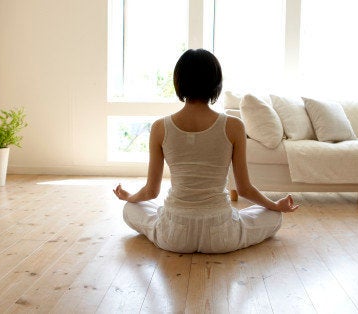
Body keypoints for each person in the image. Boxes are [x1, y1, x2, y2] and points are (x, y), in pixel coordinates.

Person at [113, 49, 298, 253]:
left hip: (173, 235)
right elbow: (244, 189)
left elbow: (151, 191)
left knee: (130, 208)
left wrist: (129, 197)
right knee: (274, 215)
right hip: (221, 235)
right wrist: (275, 205)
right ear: (216, 83)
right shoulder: (234, 126)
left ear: (179, 82)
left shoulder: (160, 127)